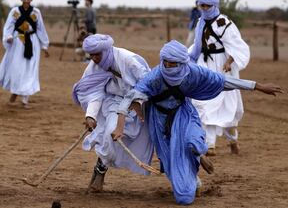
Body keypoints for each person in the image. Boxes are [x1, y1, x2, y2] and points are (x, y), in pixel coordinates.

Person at [113, 40, 282, 205]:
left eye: (172, 64)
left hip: (183, 112)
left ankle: (198, 154)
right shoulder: (154, 76)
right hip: (158, 118)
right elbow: (129, 98)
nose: (168, 67)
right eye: (165, 63)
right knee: (178, 180)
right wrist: (119, 127)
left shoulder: (194, 72)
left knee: (192, 140)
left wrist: (258, 86)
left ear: (181, 63)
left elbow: (224, 81)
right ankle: (192, 179)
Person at [72, 34, 154, 192]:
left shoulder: (128, 60)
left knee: (160, 135)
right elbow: (93, 93)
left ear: (107, 50)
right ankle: (100, 172)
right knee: (110, 133)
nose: (94, 58)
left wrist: (137, 102)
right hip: (113, 102)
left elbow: (147, 83)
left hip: (137, 102)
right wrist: (90, 116)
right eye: (91, 55)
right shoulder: (94, 67)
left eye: (97, 54)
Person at [188, 0, 250, 156]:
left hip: (222, 66)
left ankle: (233, 139)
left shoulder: (224, 23)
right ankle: (210, 145)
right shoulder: (200, 21)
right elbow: (197, 45)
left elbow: (237, 46)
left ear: (215, 5)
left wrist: (230, 62)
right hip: (204, 65)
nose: (205, 8)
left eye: (208, 5)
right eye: (202, 5)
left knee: (228, 106)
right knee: (204, 103)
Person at [0, 0, 50, 108]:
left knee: (30, 70)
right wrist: (8, 36)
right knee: (17, 69)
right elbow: (9, 25)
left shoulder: (36, 12)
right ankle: (14, 92)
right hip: (18, 41)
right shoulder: (15, 11)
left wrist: (44, 45)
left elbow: (40, 28)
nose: (26, 1)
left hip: (32, 42)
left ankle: (25, 99)